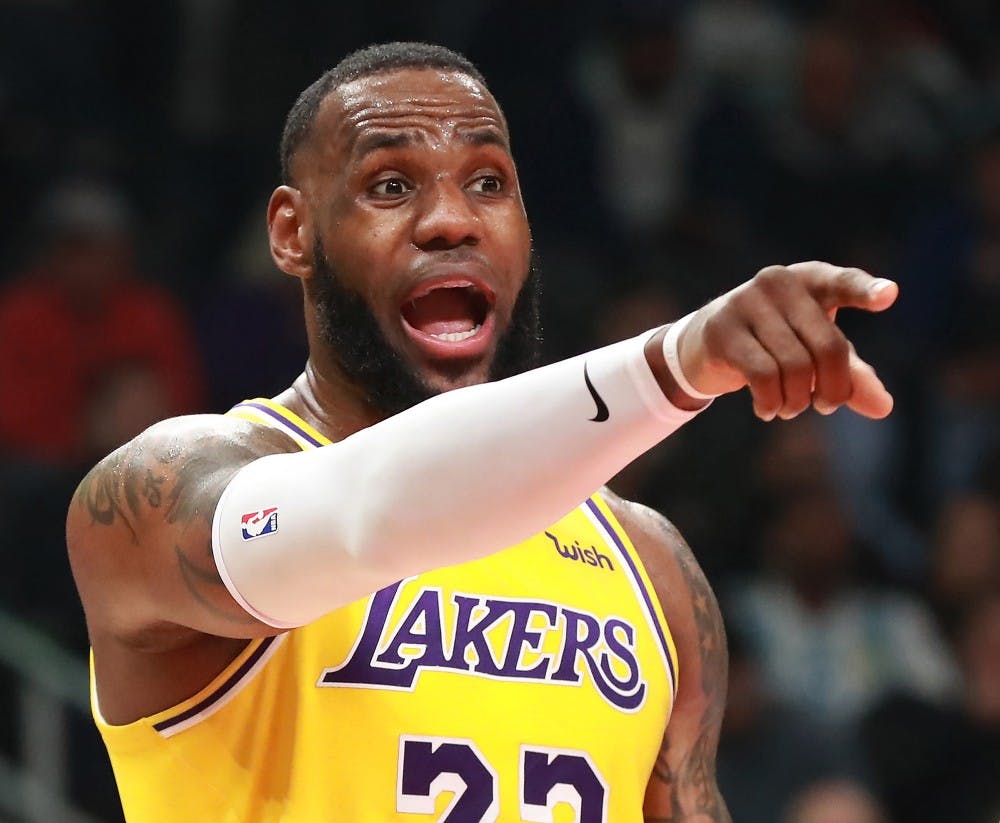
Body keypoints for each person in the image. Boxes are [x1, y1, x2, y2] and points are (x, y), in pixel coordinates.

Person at [66, 42, 898, 822]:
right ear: (292, 232)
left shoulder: (651, 566)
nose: (451, 220)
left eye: (489, 183)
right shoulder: (161, 495)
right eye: (391, 185)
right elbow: (366, 514)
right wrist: (673, 364)